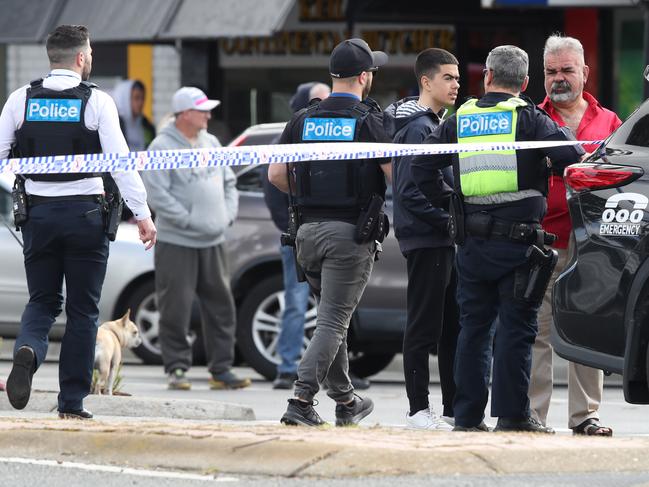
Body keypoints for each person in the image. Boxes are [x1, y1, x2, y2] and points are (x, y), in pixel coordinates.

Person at [411, 45, 584, 433]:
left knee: (473, 330)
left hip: (471, 246)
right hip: (518, 246)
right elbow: (573, 157)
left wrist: (450, 202)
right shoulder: (530, 119)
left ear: (487, 76)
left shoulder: (461, 118)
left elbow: (421, 167)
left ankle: (468, 418)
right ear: (524, 83)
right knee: (516, 330)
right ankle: (512, 416)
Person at [0, 24, 157, 419]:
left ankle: (29, 351)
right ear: (82, 58)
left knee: (42, 301)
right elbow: (121, 165)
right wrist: (142, 214)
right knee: (84, 311)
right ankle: (71, 402)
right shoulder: (97, 102)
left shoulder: (20, 99)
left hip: (37, 214)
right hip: (86, 214)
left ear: (51, 57)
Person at [269, 38, 392, 427]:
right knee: (334, 321)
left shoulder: (302, 119)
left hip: (305, 234)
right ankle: (301, 400)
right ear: (363, 77)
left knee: (328, 316)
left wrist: (311, 194)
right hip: (349, 235)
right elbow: (392, 174)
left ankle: (345, 401)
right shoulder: (370, 120)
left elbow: (275, 175)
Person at [528, 34, 620, 436]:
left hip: (591, 245)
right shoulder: (532, 119)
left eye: (566, 70)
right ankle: (533, 416)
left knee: (586, 333)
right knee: (539, 334)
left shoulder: (610, 122)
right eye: (551, 71)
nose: (558, 79)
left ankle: (586, 417)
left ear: (585, 72)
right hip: (542, 242)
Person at [142, 86, 250, 391]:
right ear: (186, 113)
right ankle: (176, 368)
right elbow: (157, 194)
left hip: (213, 240)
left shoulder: (211, 141)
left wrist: (226, 215)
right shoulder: (161, 148)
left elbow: (230, 182)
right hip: (178, 242)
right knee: (174, 306)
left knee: (221, 305)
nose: (209, 115)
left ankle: (222, 369)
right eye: (203, 110)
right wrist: (189, 220)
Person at [383, 48, 460, 431]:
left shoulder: (435, 122)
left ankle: (451, 409)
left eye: (458, 78)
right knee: (424, 327)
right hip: (428, 239)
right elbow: (409, 191)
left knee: (450, 328)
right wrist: (448, 222)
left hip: (440, 239)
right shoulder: (419, 127)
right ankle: (418, 411)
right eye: (448, 77)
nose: (456, 84)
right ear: (426, 81)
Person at [262, 82, 330, 390]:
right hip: (298, 237)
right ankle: (286, 368)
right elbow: (273, 186)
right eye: (320, 99)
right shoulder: (290, 137)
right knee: (296, 302)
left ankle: (336, 371)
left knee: (333, 306)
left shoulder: (328, 137)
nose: (326, 105)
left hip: (327, 233)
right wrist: (292, 227)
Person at [111, 79, 156, 152]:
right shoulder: (114, 125)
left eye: (142, 98)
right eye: (136, 98)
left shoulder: (147, 126)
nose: (141, 102)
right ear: (125, 99)